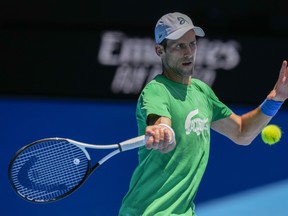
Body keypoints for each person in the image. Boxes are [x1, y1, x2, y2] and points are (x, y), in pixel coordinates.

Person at [118, 12, 288, 216]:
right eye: (179, 46)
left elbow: (242, 132)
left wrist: (275, 99)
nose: (189, 52)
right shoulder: (156, 90)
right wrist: (162, 131)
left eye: (192, 44)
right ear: (159, 50)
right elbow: (162, 123)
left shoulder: (202, 92)